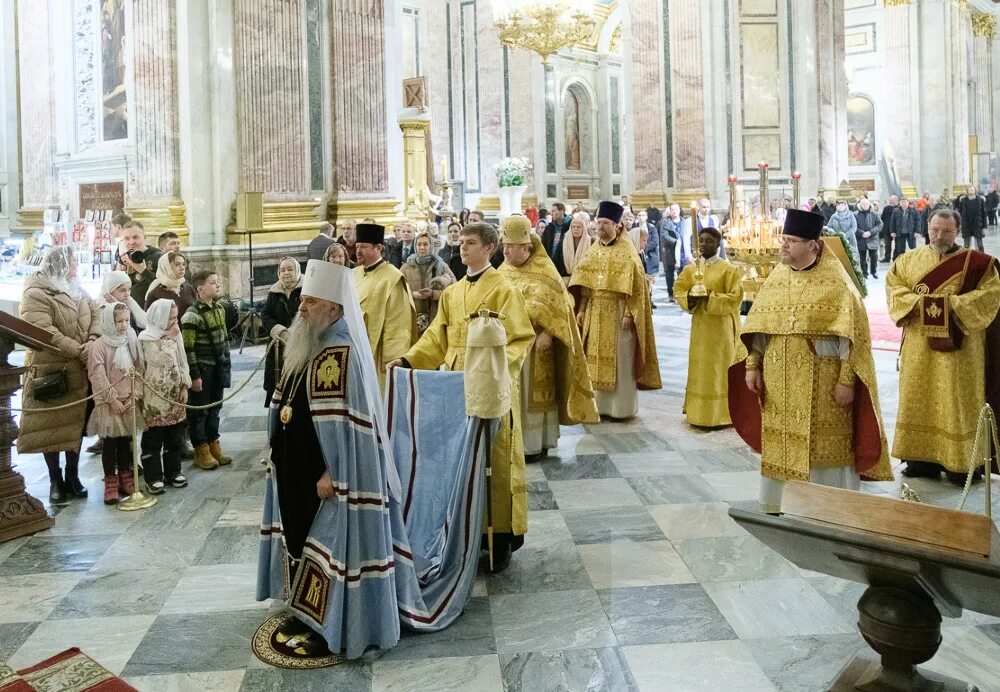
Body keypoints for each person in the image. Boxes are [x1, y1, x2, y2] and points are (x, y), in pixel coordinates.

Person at [388, 221, 535, 572]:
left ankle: (500, 538)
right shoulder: (452, 293)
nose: (464, 248)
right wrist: (408, 358)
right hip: (455, 386)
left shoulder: (503, 288)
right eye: (463, 243)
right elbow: (436, 339)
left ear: (490, 248)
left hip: (492, 387)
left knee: (495, 460)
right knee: (461, 460)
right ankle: (465, 533)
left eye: (471, 243)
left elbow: (521, 338)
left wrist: (497, 368)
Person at [728, 210, 893, 513]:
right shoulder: (777, 277)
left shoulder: (838, 283)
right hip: (779, 379)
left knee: (823, 448)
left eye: (791, 241)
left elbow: (852, 339)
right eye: (784, 239)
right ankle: (779, 502)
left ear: (813, 245)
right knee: (781, 444)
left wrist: (846, 381)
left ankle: (826, 508)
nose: (784, 246)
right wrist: (752, 364)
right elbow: (761, 328)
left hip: (824, 383)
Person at [887, 209, 1000, 484]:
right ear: (927, 228)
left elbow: (990, 295)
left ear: (957, 231)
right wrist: (920, 304)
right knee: (918, 394)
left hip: (961, 349)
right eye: (935, 229)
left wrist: (950, 306)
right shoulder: (907, 260)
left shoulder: (979, 264)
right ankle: (919, 460)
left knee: (957, 399)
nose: (940, 236)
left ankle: (962, 463)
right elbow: (894, 289)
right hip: (918, 345)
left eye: (947, 231)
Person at [498, 215, 599, 458]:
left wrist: (549, 334)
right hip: (507, 344)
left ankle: (535, 443)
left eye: (510, 248)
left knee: (533, 398)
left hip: (535, 346)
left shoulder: (546, 271)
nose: (505, 252)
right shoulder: (503, 271)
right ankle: (512, 440)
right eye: (504, 247)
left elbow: (563, 305)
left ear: (526, 248)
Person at [18, 246, 99, 504]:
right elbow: (41, 330)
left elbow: (95, 311)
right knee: (51, 427)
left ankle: (73, 475)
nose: (76, 266)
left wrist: (93, 341)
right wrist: (78, 350)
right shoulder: (36, 292)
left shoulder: (74, 286)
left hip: (79, 369)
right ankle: (55, 479)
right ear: (61, 263)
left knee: (74, 424)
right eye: (73, 261)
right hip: (51, 370)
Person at [569, 201, 662, 419]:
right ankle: (599, 407)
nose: (599, 227)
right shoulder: (593, 250)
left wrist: (630, 313)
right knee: (594, 359)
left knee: (621, 361)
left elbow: (638, 288)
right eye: (598, 222)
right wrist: (581, 308)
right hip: (594, 310)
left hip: (620, 312)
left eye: (605, 223)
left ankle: (621, 409)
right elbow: (584, 284)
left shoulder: (628, 252)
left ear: (617, 225)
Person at [674, 227, 743, 427]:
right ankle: (697, 412)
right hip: (700, 327)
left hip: (721, 329)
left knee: (719, 369)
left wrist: (710, 297)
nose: (704, 245)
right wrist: (690, 299)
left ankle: (723, 413)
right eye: (701, 241)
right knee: (700, 367)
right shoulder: (691, 269)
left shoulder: (728, 269)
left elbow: (735, 298)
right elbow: (679, 289)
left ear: (718, 244)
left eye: (709, 241)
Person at [87, 302, 143, 505]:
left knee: (126, 442)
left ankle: (125, 476)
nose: (123, 325)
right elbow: (98, 375)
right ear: (109, 322)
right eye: (119, 321)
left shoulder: (128, 342)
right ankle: (110, 481)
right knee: (110, 444)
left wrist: (133, 395)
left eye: (127, 320)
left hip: (127, 400)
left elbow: (137, 369)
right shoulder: (99, 346)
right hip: (109, 403)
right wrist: (112, 399)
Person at [353, 223, 415, 390]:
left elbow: (398, 324)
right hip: (355, 350)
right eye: (357, 246)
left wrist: (391, 360)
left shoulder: (392, 278)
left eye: (364, 247)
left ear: (378, 248)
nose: (358, 251)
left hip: (379, 356)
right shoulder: (354, 273)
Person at [182, 271, 233, 471]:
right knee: (200, 412)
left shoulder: (219, 308)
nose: (217, 285)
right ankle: (201, 450)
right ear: (201, 289)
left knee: (215, 409)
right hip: (202, 368)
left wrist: (226, 362)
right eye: (213, 282)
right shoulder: (191, 315)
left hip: (218, 366)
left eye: (217, 281)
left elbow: (224, 338)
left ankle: (214, 445)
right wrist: (195, 376)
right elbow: (188, 348)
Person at [138, 299, 191, 494]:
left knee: (174, 437)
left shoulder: (176, 335)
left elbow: (182, 361)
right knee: (153, 439)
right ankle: (153, 477)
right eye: (170, 318)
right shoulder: (146, 338)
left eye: (175, 317)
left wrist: (185, 385)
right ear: (159, 318)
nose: (174, 322)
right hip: (155, 397)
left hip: (175, 394)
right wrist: (169, 340)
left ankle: (173, 471)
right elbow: (158, 360)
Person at [261, 257, 302, 407]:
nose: (286, 273)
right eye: (282, 270)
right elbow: (265, 315)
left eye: (290, 269)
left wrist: (295, 332)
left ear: (297, 270)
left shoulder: (306, 289)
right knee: (277, 386)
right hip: (278, 345)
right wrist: (280, 331)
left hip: (300, 342)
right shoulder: (275, 291)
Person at [401, 232, 456, 334]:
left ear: (431, 246)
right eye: (419, 244)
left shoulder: (441, 265)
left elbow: (454, 290)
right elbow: (399, 290)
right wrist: (413, 294)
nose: (422, 247)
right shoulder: (407, 266)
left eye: (426, 244)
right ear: (415, 245)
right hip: (413, 319)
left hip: (436, 318)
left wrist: (433, 293)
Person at [117, 221, 162, 305]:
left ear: (144, 237)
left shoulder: (159, 257)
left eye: (135, 237)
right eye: (127, 238)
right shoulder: (125, 259)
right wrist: (120, 269)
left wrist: (144, 271)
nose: (131, 242)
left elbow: (165, 287)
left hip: (152, 309)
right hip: (129, 312)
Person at [554, 211, 592, 284]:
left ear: (583, 228)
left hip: (584, 280)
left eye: (578, 227)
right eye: (573, 227)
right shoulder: (563, 242)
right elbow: (555, 261)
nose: (576, 229)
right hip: (565, 279)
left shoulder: (590, 242)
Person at [854, 197, 883, 279]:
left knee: (874, 257)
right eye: (863, 204)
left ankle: (874, 272)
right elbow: (854, 226)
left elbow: (880, 225)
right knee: (862, 258)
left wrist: (870, 232)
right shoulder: (855, 214)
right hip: (861, 239)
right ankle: (864, 273)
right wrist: (862, 233)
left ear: (869, 204)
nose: (865, 205)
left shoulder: (875, 214)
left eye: (866, 203)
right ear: (860, 205)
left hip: (872, 239)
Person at [954, 186, 988, 252]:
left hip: (978, 224)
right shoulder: (963, 201)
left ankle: (981, 258)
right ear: (967, 192)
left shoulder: (980, 200)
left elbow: (984, 213)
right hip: (966, 225)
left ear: (975, 191)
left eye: (972, 190)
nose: (971, 191)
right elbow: (960, 213)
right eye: (969, 190)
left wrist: (984, 226)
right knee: (966, 245)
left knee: (979, 244)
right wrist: (959, 225)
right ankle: (967, 258)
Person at [660, 204, 682, 302]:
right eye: (672, 209)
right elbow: (664, 236)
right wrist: (676, 241)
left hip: (681, 251)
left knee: (682, 273)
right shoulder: (666, 222)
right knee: (669, 274)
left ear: (679, 210)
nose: (674, 211)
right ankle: (670, 293)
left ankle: (681, 293)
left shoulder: (684, 222)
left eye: (676, 209)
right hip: (670, 251)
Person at [880, 195, 900, 262]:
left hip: (897, 230)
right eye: (890, 200)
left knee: (897, 245)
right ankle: (887, 258)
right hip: (887, 230)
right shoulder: (886, 208)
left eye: (892, 200)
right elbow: (882, 219)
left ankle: (895, 258)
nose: (891, 201)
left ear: (897, 200)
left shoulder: (899, 208)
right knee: (887, 245)